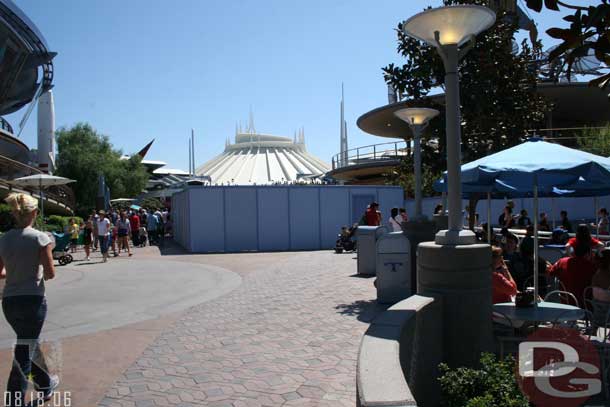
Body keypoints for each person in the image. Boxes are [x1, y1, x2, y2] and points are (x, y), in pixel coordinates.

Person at [0, 193, 59, 405]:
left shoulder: (4, 239)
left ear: (15, 214)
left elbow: (1, 272)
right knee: (24, 352)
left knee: (28, 343)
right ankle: (14, 401)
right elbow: (50, 273)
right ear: (34, 212)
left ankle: (45, 384)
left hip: (9, 302)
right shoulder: (40, 238)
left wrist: (17, 271)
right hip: (32, 301)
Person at [548, 241, 597, 306]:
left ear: (573, 252)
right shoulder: (592, 267)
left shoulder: (562, 261)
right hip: (585, 304)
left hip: (565, 302)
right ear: (587, 254)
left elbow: (550, 273)